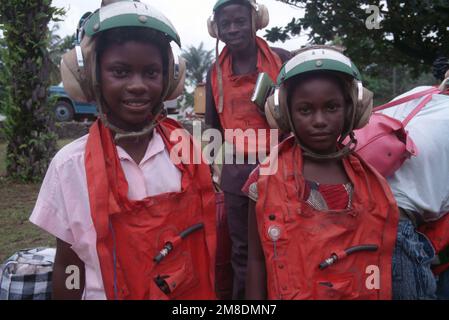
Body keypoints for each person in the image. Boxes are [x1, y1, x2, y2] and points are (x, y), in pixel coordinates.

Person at [29, 0, 216, 300]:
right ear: (91, 77)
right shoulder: (69, 166)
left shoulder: (189, 152)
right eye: (120, 71)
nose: (138, 85)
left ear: (169, 79)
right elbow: (70, 265)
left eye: (152, 73)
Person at [244, 46, 399, 300]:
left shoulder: (370, 183)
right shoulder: (263, 180)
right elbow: (256, 259)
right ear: (284, 113)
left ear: (352, 110)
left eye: (331, 107)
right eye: (305, 110)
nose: (319, 120)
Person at [205, 0, 290, 300]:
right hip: (236, 175)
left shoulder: (281, 60)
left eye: (239, 21)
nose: (232, 29)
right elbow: (213, 128)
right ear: (215, 28)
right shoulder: (214, 72)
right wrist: (207, 169)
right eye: (225, 24)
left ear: (256, 20)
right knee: (242, 251)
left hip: (281, 170)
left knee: (281, 243)